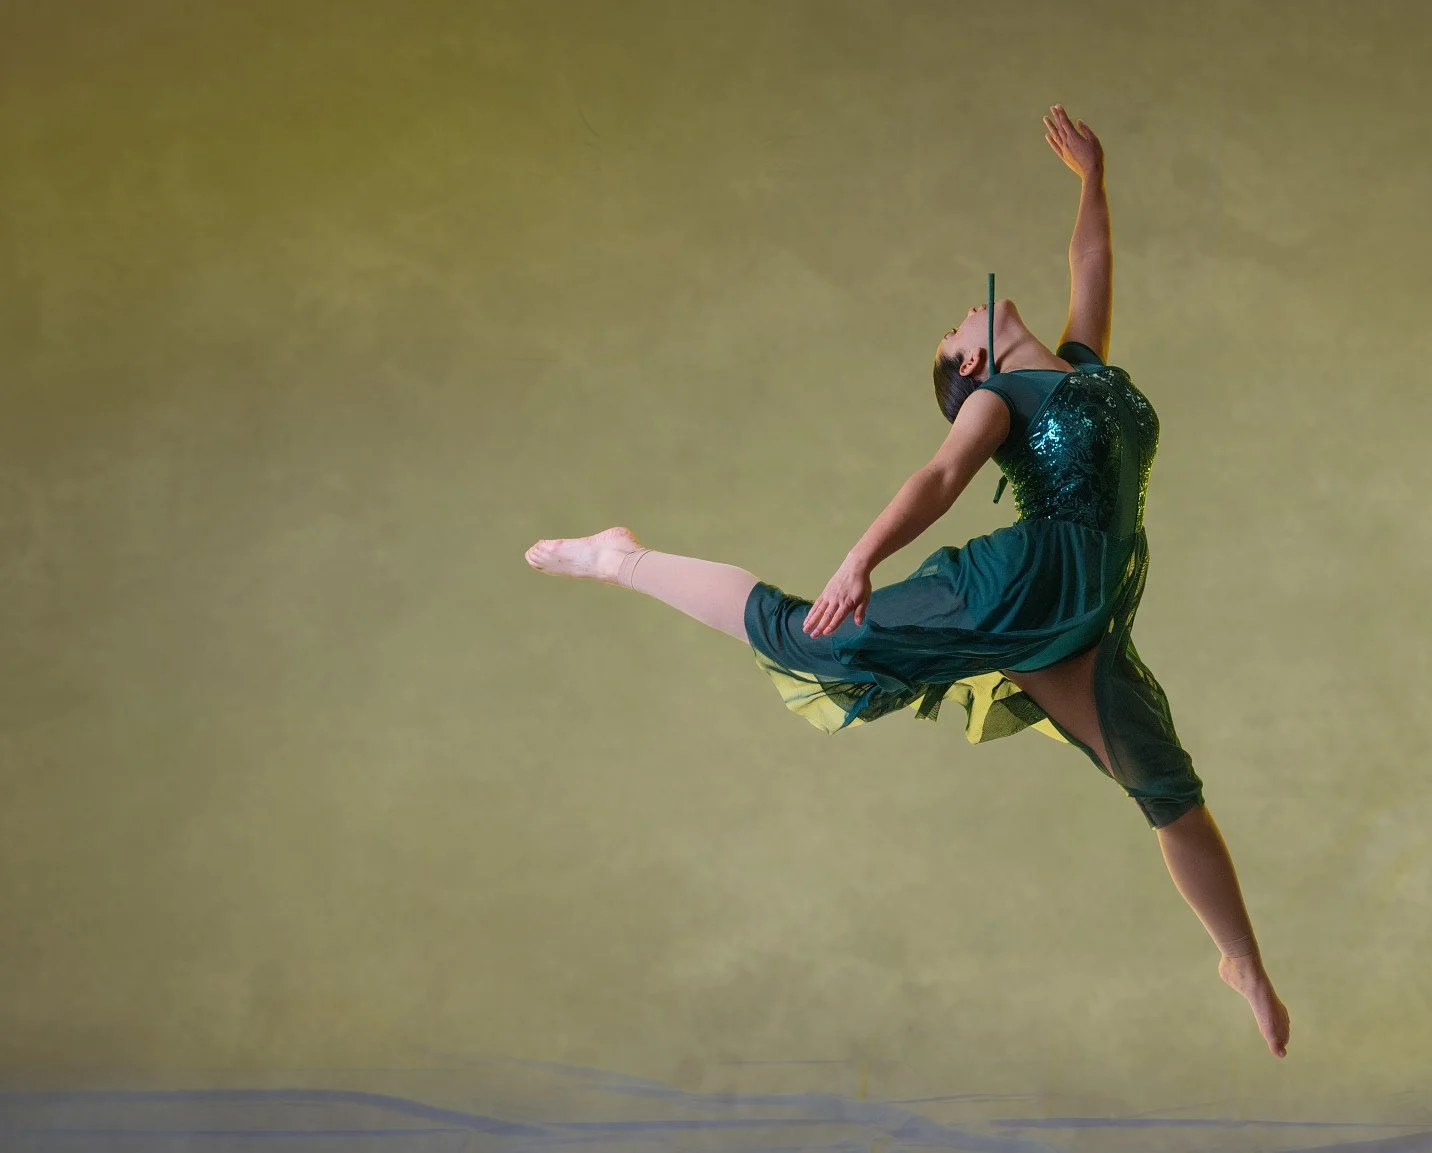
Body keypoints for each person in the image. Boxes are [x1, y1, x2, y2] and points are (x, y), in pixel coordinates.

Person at [526, 105, 1289, 1059]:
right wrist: (859, 560)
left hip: (1085, 618)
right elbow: (938, 478)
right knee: (807, 635)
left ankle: (1241, 959)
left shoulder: (1084, 369)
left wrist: (1093, 178)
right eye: (955, 329)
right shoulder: (998, 399)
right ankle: (621, 559)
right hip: (1019, 587)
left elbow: (1091, 265)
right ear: (971, 363)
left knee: (1167, 788)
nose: (966, 312)